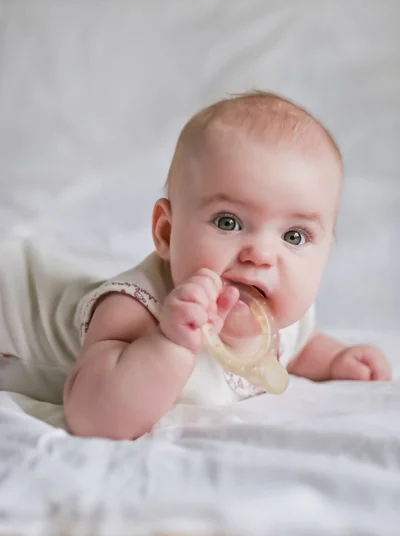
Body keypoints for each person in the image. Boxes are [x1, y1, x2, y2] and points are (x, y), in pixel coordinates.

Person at [63, 91, 392, 440]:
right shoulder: (135, 310)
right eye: (228, 223)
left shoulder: (283, 320)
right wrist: (169, 344)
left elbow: (297, 347)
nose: (261, 254)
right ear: (167, 232)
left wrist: (335, 359)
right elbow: (95, 419)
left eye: (294, 236)